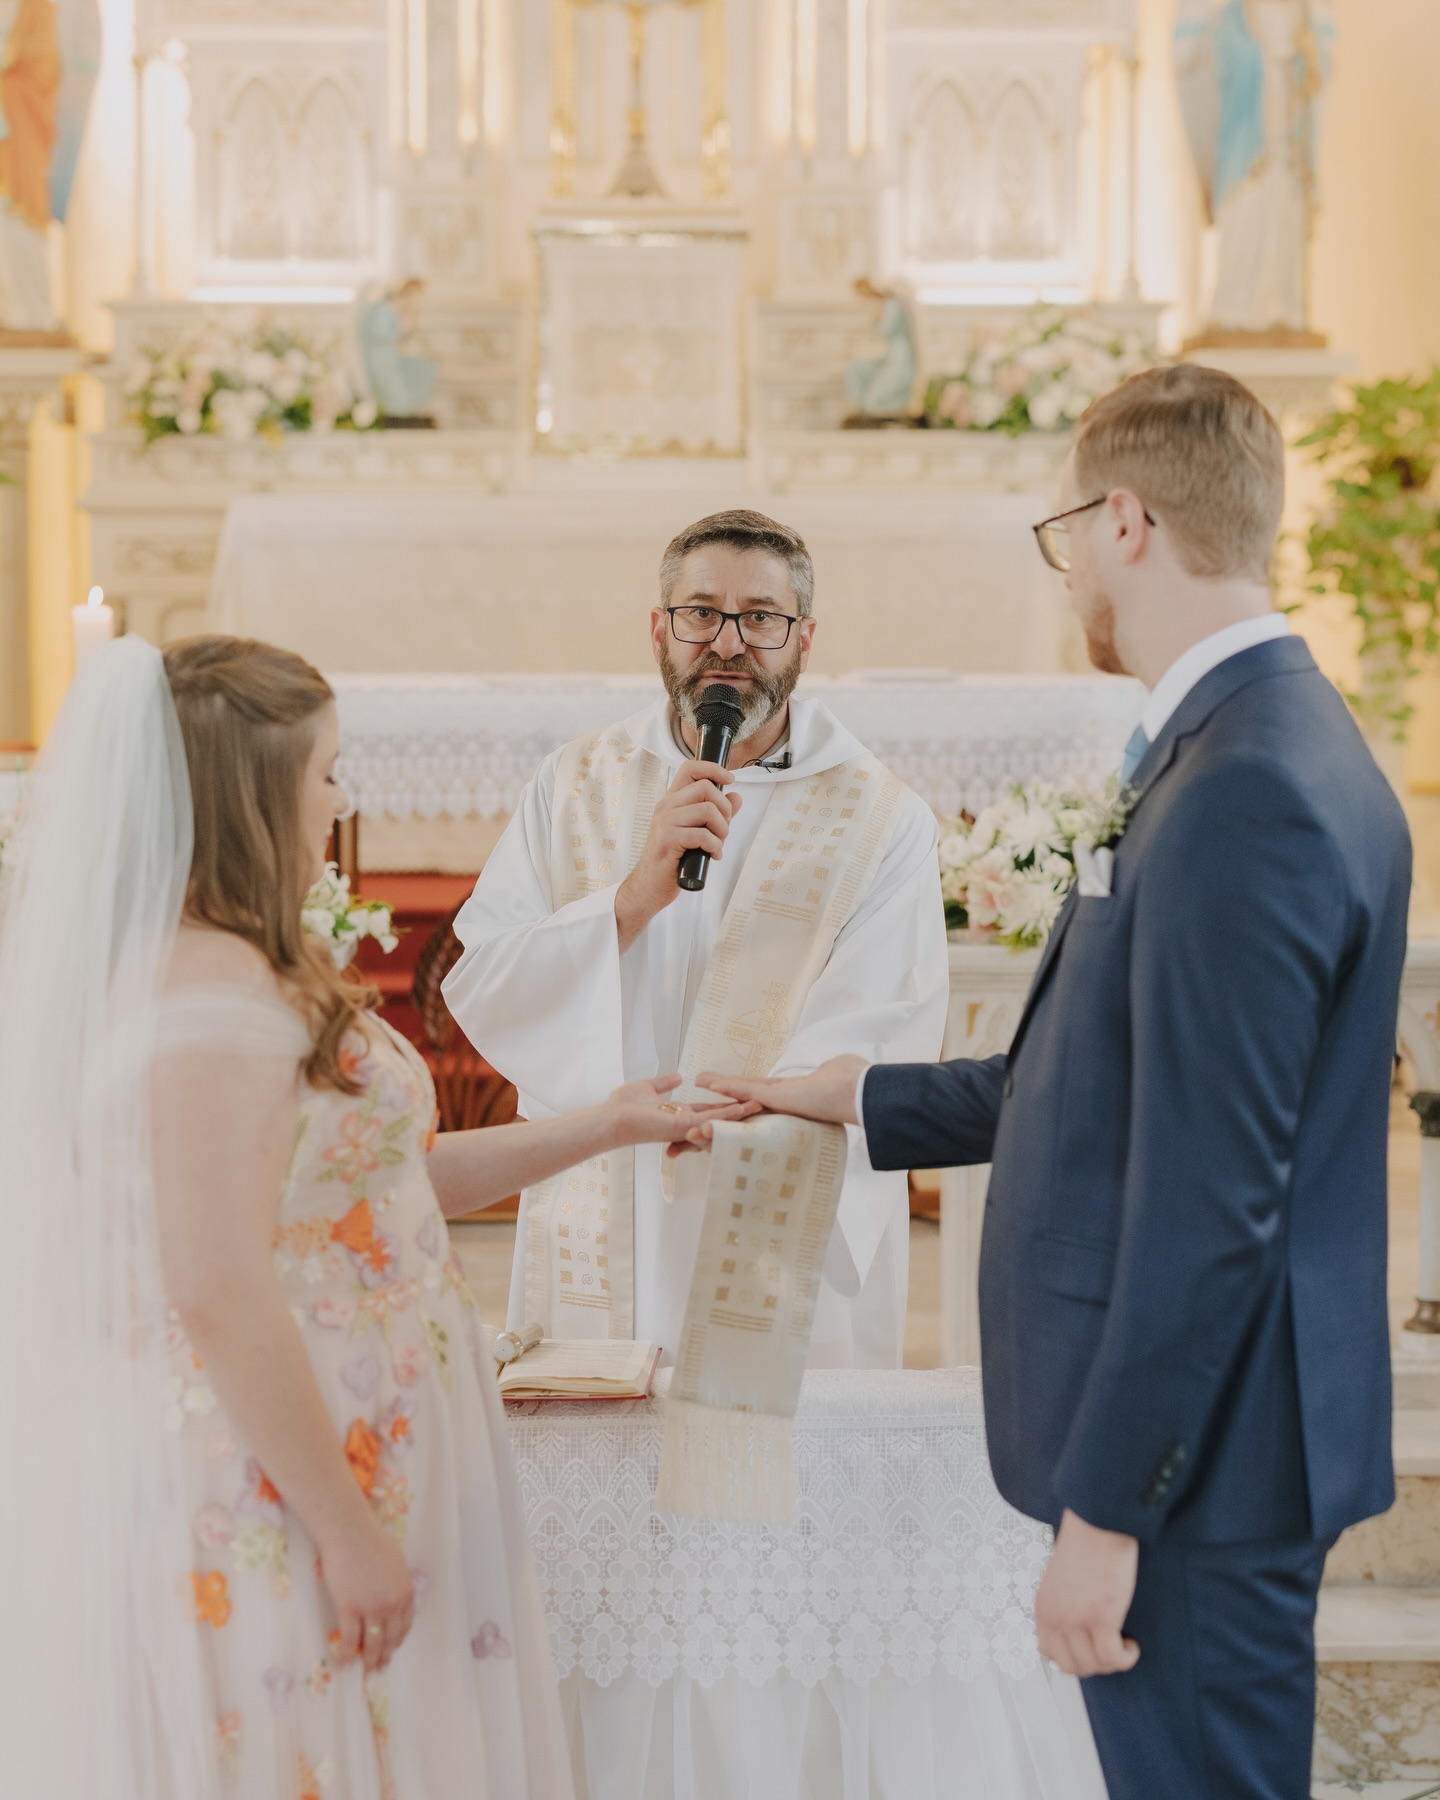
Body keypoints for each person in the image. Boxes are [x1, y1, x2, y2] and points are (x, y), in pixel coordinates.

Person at [694, 367, 1411, 1799]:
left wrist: (1111, 1512)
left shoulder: (1245, 789)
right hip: (1228, 1450)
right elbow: (1121, 1086)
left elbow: (1212, 1198)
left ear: (1126, 522)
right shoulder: (1268, 733)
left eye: (1068, 531)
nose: (1069, 568)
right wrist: (859, 1094)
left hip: (1199, 1476)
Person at [0, 633, 743, 1799]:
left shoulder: (254, 966)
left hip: (365, 1443)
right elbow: (216, 1286)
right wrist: (346, 1530)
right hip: (285, 1476)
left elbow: (383, 1185)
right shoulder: (205, 1003)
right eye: (327, 771)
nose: (342, 799)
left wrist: (604, 1125)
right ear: (252, 797)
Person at [444, 509, 948, 1368]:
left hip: (774, 1194)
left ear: (804, 638)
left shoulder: (882, 817)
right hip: (605, 1188)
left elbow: (884, 1020)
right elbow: (487, 977)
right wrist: (630, 901)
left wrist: (733, 1119)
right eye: (702, 613)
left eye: (761, 617)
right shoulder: (574, 784)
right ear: (659, 629)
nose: (728, 642)